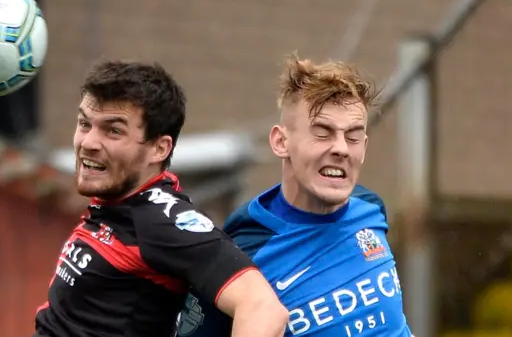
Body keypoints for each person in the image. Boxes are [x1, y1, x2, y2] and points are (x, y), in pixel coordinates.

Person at [33, 60, 288, 337]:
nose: (89, 142)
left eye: (113, 130)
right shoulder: (117, 205)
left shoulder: (163, 220)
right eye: (85, 124)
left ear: (159, 148)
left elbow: (262, 308)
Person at [177, 53, 413, 336]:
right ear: (280, 142)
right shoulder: (240, 253)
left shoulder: (371, 209)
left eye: (352, 136)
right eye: (323, 133)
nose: (341, 149)